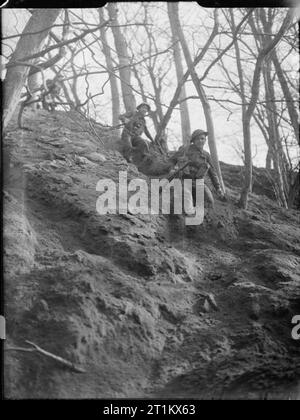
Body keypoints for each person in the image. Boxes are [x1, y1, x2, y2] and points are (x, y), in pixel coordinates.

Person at [169, 129, 225, 214]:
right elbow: (171, 161)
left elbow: (212, 173)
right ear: (193, 141)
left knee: (209, 201)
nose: (200, 141)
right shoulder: (185, 150)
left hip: (198, 182)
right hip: (183, 181)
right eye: (198, 139)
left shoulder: (206, 155)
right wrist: (171, 170)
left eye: (202, 139)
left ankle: (203, 221)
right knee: (186, 198)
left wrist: (218, 188)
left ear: (205, 140)